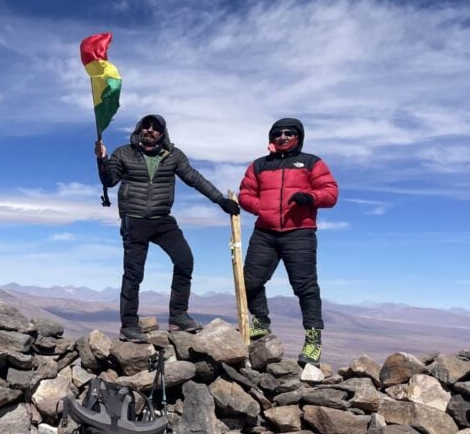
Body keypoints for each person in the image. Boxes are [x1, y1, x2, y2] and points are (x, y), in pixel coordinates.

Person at [96, 114, 240, 343]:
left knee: (185, 260)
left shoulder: (173, 156)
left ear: (163, 132)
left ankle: (178, 316)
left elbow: (194, 178)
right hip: (135, 219)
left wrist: (220, 200)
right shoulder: (124, 153)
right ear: (139, 129)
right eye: (146, 126)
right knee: (134, 274)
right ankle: (129, 325)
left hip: (163, 219)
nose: (150, 130)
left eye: (155, 128)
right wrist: (102, 159)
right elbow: (109, 180)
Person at [238, 117, 338, 365]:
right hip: (265, 232)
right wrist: (260, 207)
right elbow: (245, 194)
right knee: (248, 281)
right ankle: (260, 320)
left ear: (298, 136)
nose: (282, 137)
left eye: (288, 133)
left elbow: (331, 192)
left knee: (305, 287)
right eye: (277, 133)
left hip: (299, 232)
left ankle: (313, 340)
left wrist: (310, 197)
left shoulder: (312, 162)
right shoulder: (259, 165)